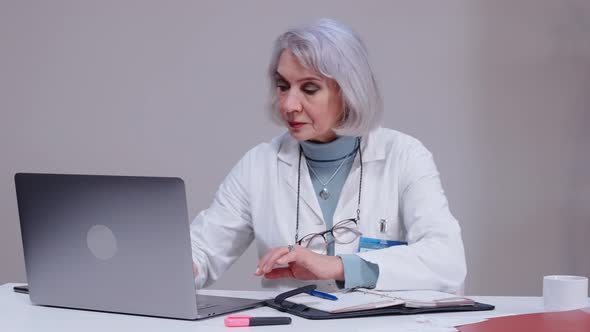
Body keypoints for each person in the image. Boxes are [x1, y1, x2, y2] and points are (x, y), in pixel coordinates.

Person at [190, 18, 466, 293]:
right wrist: (185, 266)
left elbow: (446, 262)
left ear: (348, 91)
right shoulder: (259, 165)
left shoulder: (404, 156)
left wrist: (337, 266)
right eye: (283, 85)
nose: (289, 104)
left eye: (309, 89)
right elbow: (201, 250)